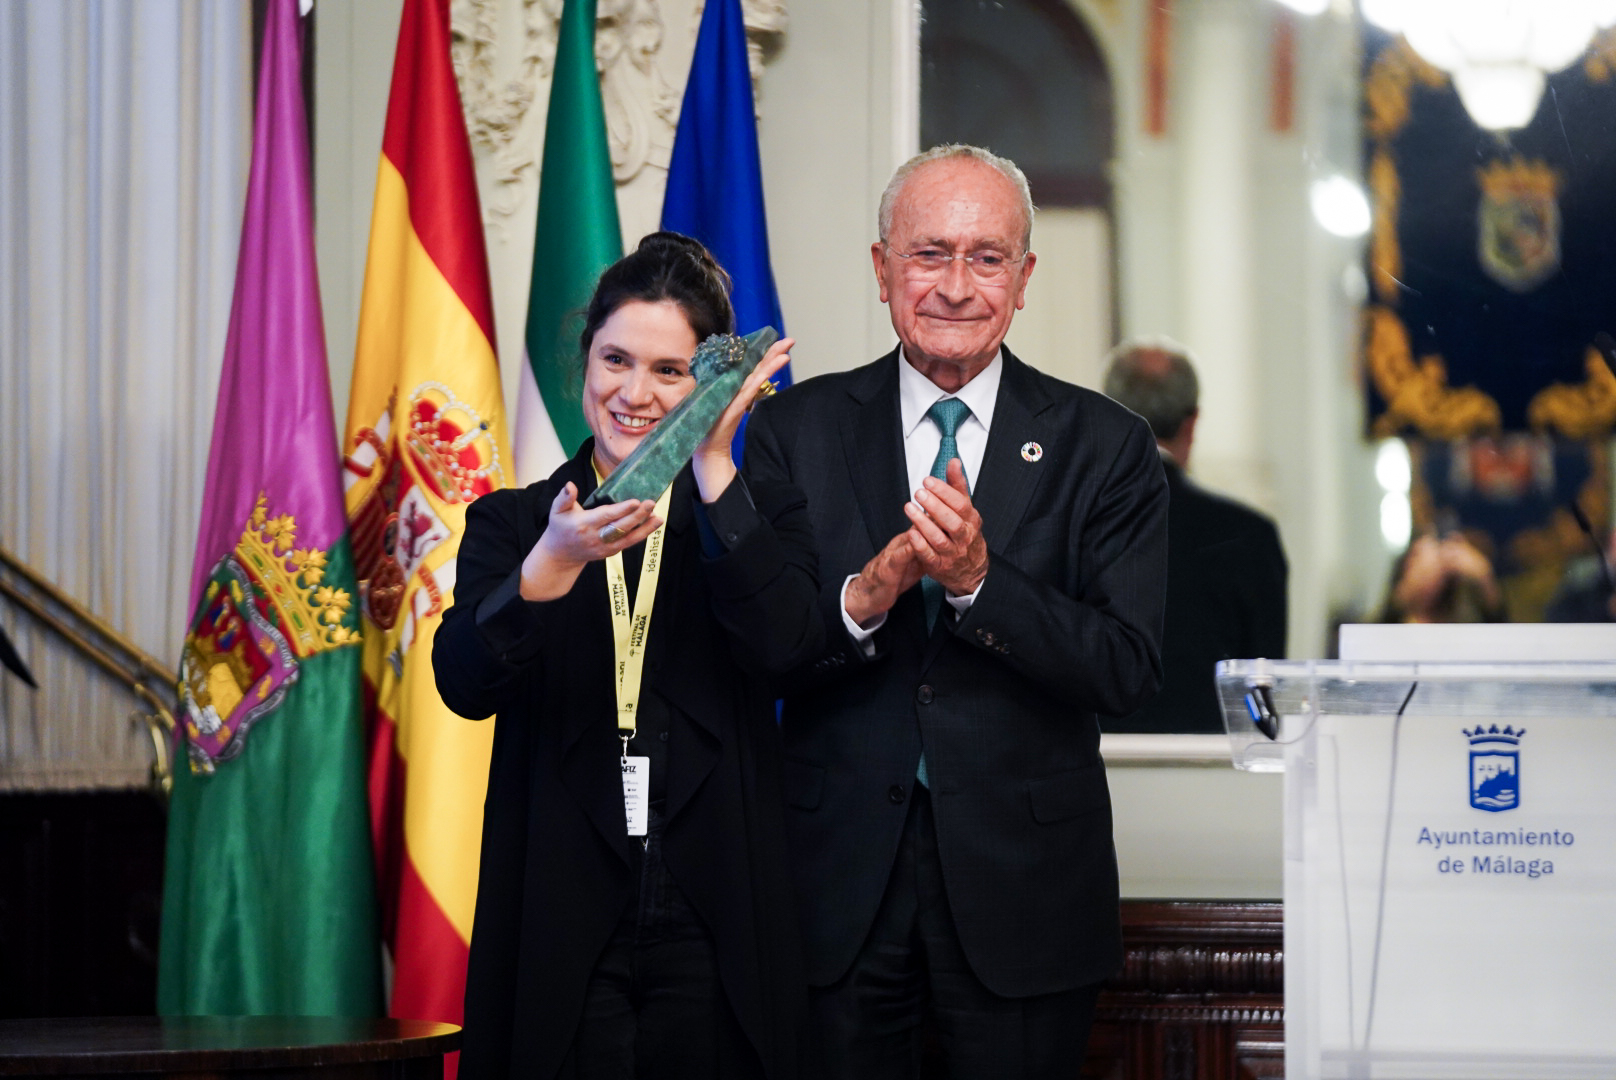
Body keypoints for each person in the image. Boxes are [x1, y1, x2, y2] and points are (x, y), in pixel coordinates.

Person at [743, 145, 1169, 1078]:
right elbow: (753, 653)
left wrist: (983, 584)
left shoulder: (1107, 447)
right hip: (834, 887)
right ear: (882, 268)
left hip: (1027, 891)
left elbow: (1126, 667)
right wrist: (865, 599)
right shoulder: (790, 431)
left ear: (1022, 280)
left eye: (986, 258)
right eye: (929, 253)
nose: (955, 285)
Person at [434, 232, 821, 1080]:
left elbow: (788, 647)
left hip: (714, 907)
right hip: (563, 905)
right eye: (616, 359)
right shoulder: (515, 523)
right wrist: (551, 566)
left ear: (708, 384)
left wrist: (715, 460)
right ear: (585, 358)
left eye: (670, 371)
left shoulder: (750, 513)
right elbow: (462, 682)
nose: (634, 393)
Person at [1100, 339, 1288, 734]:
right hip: (1214, 778)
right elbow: (1263, 695)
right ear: (1193, 422)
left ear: (1107, 416)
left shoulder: (1066, 526)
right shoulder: (1250, 536)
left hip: (1093, 775)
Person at [1378, 529, 1505, 623]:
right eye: (1417, 556)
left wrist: (1484, 578)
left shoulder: (1465, 621)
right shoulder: (1393, 626)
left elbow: (1503, 641)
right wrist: (1402, 595)